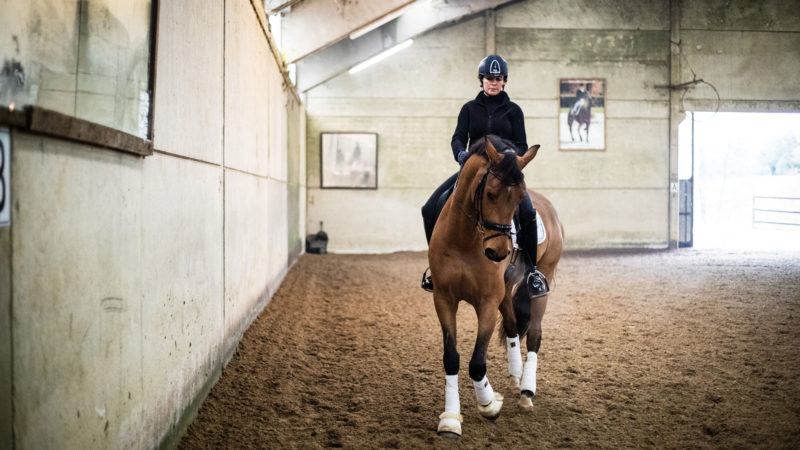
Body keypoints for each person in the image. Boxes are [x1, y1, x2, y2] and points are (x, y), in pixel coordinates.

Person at [420, 54, 549, 299]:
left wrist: (512, 160)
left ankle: (531, 273)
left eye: (498, 78)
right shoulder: (469, 109)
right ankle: (436, 269)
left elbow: (522, 144)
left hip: (505, 176)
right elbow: (457, 137)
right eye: (489, 78)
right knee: (429, 208)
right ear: (482, 80)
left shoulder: (514, 111)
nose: (493, 82)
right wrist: (461, 155)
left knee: (528, 213)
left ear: (504, 81)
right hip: (473, 172)